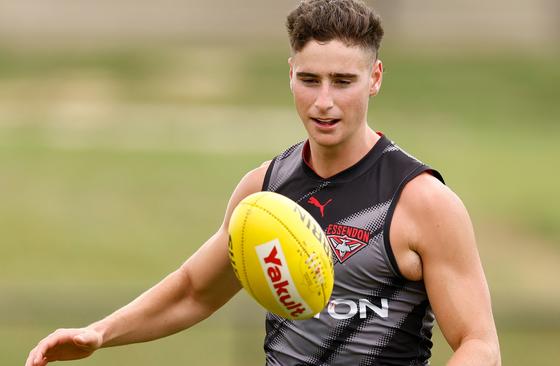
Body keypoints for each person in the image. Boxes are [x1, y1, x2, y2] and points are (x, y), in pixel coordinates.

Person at [26, 0, 500, 365]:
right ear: (290, 73)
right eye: (310, 79)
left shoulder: (420, 201)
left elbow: (479, 344)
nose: (324, 102)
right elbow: (195, 290)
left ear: (374, 78)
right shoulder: (264, 193)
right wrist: (100, 333)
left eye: (343, 81)